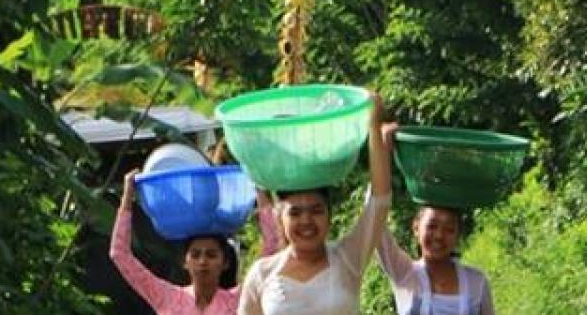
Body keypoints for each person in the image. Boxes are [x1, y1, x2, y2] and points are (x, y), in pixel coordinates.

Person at [238, 92, 391, 315]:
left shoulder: (348, 257)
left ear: (330, 215)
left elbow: (380, 199)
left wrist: (373, 127)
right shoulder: (262, 274)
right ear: (280, 217)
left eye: (316, 211)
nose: (306, 221)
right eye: (295, 213)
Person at [110, 170, 281, 314]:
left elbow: (272, 247)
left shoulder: (238, 301)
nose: (203, 261)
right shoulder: (166, 297)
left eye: (211, 255)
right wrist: (126, 200)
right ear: (185, 261)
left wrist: (257, 187)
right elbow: (119, 254)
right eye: (195, 254)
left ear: (225, 263)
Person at [376, 124, 496, 315]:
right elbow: (375, 224)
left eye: (449, 229)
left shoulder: (477, 282)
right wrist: (381, 153)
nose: (439, 236)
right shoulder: (405, 274)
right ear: (416, 227)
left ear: (458, 235)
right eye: (432, 226)